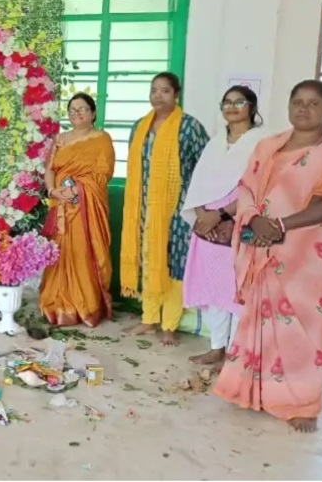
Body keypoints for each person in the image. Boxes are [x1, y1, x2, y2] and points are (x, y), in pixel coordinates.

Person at [214, 80, 322, 433]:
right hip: (263, 241)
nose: (304, 108)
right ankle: (253, 390)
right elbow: (247, 188)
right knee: (261, 319)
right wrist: (255, 219)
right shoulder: (268, 146)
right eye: (298, 102)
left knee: (302, 326)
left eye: (314, 103)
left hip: (305, 253)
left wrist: (280, 225)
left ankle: (301, 403)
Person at [120, 71, 210, 346]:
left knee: (174, 265)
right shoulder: (140, 127)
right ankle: (148, 319)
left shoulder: (190, 127)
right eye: (154, 90)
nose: (158, 95)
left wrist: (199, 205)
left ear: (176, 95)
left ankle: (169, 324)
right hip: (144, 208)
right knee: (149, 261)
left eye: (165, 90)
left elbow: (205, 167)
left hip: (178, 210)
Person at [179, 86, 266, 366]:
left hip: (239, 222)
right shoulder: (215, 143)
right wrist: (202, 212)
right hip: (208, 225)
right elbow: (199, 182)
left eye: (239, 102)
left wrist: (221, 215)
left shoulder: (262, 142)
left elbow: (259, 188)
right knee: (213, 287)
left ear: (252, 107)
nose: (232, 107)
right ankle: (216, 347)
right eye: (227, 102)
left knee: (238, 291)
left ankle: (235, 354)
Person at [40, 93, 115, 327]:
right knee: (60, 253)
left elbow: (103, 174)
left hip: (85, 207)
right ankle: (58, 304)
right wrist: (52, 191)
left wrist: (76, 190)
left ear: (93, 113)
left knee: (82, 252)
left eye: (82, 109)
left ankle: (86, 305)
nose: (77, 113)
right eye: (72, 110)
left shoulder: (102, 139)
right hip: (60, 205)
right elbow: (50, 169)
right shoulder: (60, 139)